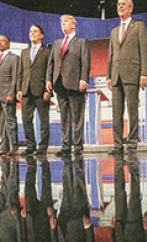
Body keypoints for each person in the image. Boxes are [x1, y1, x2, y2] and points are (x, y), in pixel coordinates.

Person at [106, 0, 147, 155]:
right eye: (119, 4)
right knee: (116, 112)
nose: (120, 7)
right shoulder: (114, 31)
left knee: (132, 111)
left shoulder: (138, 26)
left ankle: (131, 144)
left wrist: (144, 73)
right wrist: (108, 76)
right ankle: (117, 145)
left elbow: (144, 51)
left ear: (131, 8)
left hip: (132, 74)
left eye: (124, 4)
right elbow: (111, 55)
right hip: (116, 75)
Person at [46, 14, 91, 156]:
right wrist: (48, 80)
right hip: (59, 84)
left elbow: (85, 62)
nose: (63, 24)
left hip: (75, 83)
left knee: (77, 116)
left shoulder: (81, 42)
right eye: (61, 22)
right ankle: (66, 146)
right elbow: (51, 63)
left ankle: (77, 146)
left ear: (74, 25)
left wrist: (84, 79)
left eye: (66, 22)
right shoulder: (57, 43)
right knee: (64, 116)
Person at [17, 25, 51, 156]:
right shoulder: (24, 52)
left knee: (43, 120)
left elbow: (50, 72)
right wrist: (19, 89)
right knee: (26, 119)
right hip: (26, 91)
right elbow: (21, 72)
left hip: (41, 90)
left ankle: (42, 147)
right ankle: (30, 145)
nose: (32, 33)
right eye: (30, 31)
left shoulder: (47, 52)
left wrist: (48, 90)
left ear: (41, 35)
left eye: (35, 31)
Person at [0, 35, 19, 156]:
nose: (0, 43)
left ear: (8, 43)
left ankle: (14, 147)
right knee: (1, 123)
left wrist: (11, 93)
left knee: (10, 121)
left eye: (2, 41)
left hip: (7, 95)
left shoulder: (14, 58)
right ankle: (4, 147)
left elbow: (15, 78)